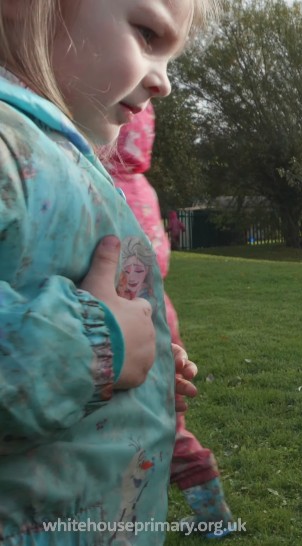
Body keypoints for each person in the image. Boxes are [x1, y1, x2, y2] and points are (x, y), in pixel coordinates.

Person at [0, 0, 217, 543]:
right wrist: (101, 344)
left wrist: (138, 366)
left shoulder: (62, 155)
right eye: (147, 34)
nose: (164, 83)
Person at [104, 104, 236, 538]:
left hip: (128, 319)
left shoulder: (103, 184)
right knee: (155, 419)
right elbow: (158, 256)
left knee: (154, 424)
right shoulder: (140, 186)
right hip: (155, 312)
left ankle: (213, 513)